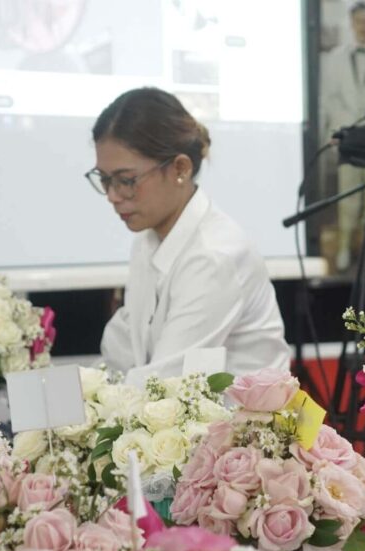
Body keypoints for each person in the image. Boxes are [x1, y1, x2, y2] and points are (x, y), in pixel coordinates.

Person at [91, 87, 290, 379]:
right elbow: (120, 352)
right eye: (105, 180)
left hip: (241, 422)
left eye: (125, 180)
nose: (112, 195)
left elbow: (163, 385)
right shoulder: (149, 240)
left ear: (180, 168)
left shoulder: (213, 256)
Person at [321, 2, 365, 271]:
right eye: (358, 21)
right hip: (349, 137)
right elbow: (329, 99)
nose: (363, 27)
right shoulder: (336, 57)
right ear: (352, 24)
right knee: (348, 194)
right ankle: (343, 249)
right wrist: (336, 132)